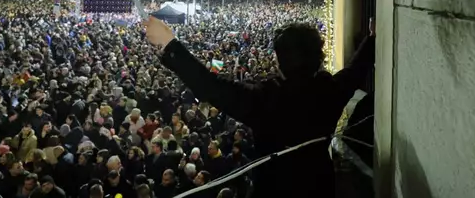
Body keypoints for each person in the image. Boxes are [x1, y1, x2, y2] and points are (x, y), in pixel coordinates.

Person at [144, 17, 375, 198]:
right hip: (319, 188)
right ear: (318, 58)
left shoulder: (267, 99)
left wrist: (169, 43)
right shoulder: (330, 91)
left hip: (274, 190)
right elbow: (355, 71)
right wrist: (372, 40)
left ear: (280, 61)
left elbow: (211, 87)